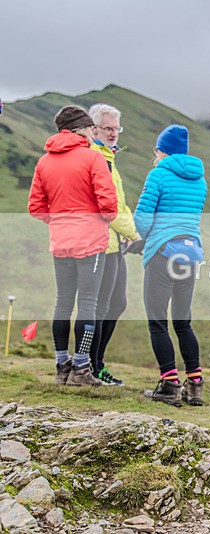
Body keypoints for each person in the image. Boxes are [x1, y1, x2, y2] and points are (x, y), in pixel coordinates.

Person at [28, 105, 117, 386]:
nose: (94, 134)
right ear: (81, 129)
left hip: (60, 241)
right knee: (88, 302)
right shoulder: (93, 158)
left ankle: (61, 365)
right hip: (90, 241)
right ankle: (81, 368)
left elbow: (36, 207)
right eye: (92, 129)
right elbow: (108, 205)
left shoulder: (44, 162)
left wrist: (59, 222)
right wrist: (102, 218)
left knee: (63, 301)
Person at [135, 125, 207, 407]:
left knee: (157, 321)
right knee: (183, 321)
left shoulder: (158, 174)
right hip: (190, 253)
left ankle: (170, 385)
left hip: (163, 253)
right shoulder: (200, 179)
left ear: (161, 150)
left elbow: (142, 219)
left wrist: (149, 237)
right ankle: (196, 385)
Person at [87, 103, 143, 386]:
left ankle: (96, 363)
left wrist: (126, 232)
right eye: (107, 128)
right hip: (101, 243)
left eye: (116, 128)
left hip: (114, 241)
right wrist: (133, 234)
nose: (113, 133)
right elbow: (108, 205)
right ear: (94, 129)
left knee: (116, 303)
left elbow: (119, 202)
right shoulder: (97, 158)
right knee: (100, 306)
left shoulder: (109, 157)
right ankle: (91, 366)